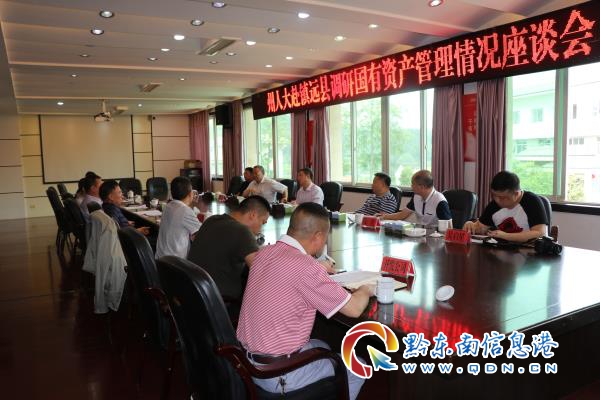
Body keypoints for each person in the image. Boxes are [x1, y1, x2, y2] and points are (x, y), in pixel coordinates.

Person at [236, 203, 374, 399]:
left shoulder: (263, 253)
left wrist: (317, 268)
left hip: (246, 363)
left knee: (323, 345)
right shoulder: (306, 267)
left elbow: (290, 272)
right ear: (317, 236)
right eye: (325, 238)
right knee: (359, 366)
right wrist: (365, 289)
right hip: (278, 374)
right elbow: (354, 309)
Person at [188, 196, 270, 305]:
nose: (261, 229)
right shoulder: (242, 232)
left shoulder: (212, 220)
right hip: (220, 303)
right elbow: (262, 273)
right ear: (253, 215)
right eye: (263, 222)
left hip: (193, 294)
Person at [463, 171, 548, 243]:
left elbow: (540, 233)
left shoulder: (532, 201)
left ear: (516, 194)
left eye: (502, 198)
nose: (497, 200)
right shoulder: (494, 205)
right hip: (503, 252)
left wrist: (506, 236)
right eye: (494, 195)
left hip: (531, 252)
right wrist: (471, 225)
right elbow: (481, 228)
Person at [379, 170, 451, 225]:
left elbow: (449, 227)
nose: (411, 186)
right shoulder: (416, 196)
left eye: (413, 184)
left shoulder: (440, 201)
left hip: (435, 237)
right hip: (420, 234)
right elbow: (402, 215)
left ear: (422, 187)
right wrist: (384, 216)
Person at [155, 176, 202, 259]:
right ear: (190, 194)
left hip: (160, 258)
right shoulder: (185, 210)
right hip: (174, 262)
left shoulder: (168, 206)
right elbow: (201, 236)